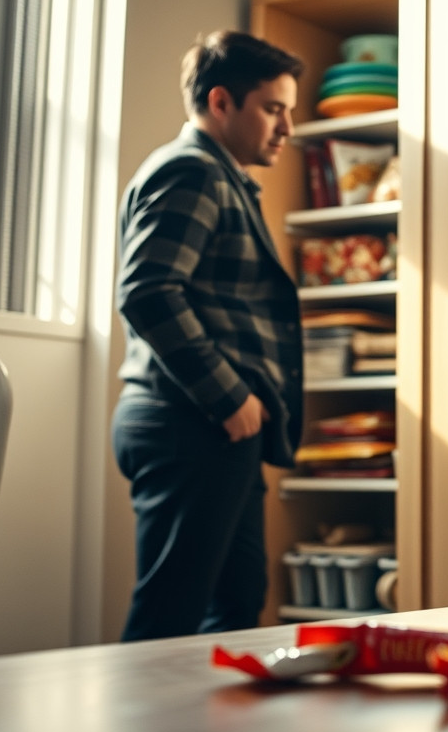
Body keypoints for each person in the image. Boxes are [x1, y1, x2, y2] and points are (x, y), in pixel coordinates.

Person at [112, 31, 305, 641]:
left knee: (238, 606)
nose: (287, 128)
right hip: (194, 424)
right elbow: (148, 292)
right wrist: (231, 398)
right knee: (169, 622)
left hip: (213, 430)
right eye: (274, 109)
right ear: (221, 102)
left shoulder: (216, 176)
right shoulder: (193, 173)